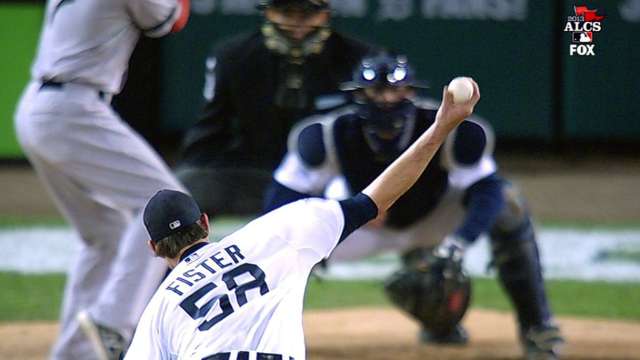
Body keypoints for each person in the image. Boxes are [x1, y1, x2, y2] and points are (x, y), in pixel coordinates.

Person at [123, 78, 480, 359]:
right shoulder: (275, 232)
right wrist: (439, 130)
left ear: (154, 247)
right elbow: (380, 194)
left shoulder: (160, 307)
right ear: (203, 222)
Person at [263, 53, 564, 359]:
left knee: (509, 203)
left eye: (395, 91)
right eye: (376, 92)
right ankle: (262, 336)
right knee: (282, 242)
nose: (386, 100)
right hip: (359, 226)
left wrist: (460, 243)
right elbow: (280, 202)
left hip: (432, 220)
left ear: (411, 92)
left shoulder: (445, 123)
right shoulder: (327, 133)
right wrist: (331, 224)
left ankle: (536, 326)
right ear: (358, 95)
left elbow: (489, 190)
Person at [14, 0, 190, 359]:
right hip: (73, 108)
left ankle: (75, 352)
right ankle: (114, 319)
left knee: (103, 234)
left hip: (40, 106)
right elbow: (171, 20)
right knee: (165, 199)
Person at [175, 0, 375, 216]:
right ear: (268, 11)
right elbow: (206, 139)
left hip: (328, 177)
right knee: (188, 183)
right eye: (287, 11)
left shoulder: (361, 59)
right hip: (258, 176)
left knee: (354, 191)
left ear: (325, 14)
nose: (297, 22)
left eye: (309, 12)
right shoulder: (233, 56)